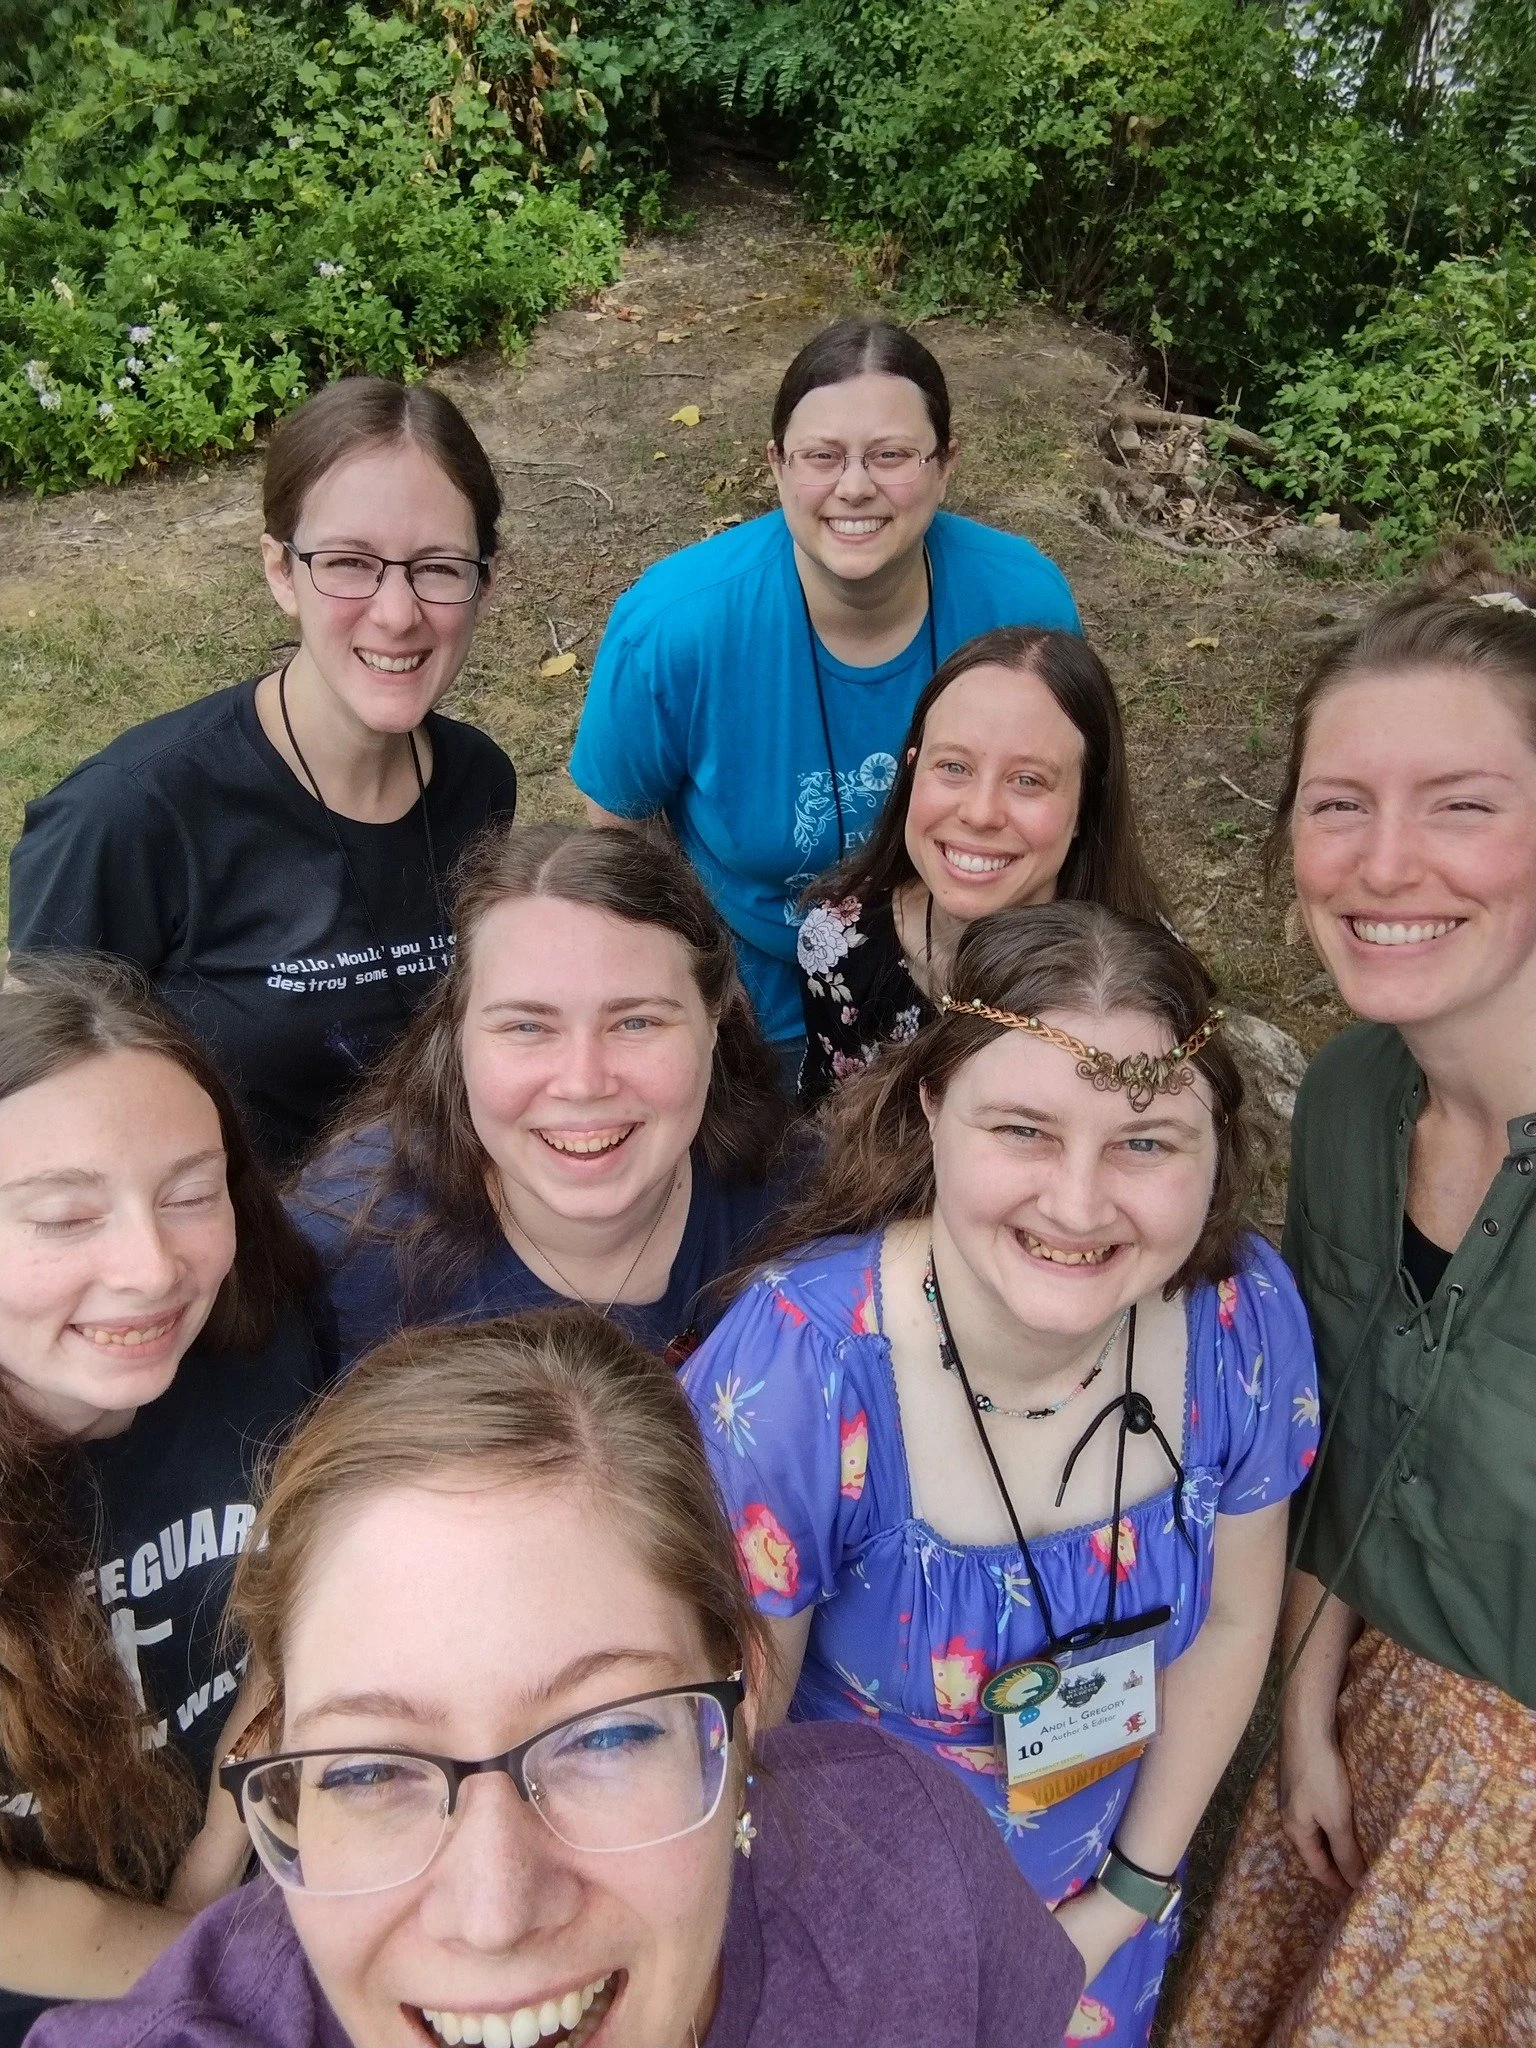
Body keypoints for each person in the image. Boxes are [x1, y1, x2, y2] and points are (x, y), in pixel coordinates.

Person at [29, 1308, 1090, 2048]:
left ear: (741, 1697)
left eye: (608, 1735)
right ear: (280, 1768)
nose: (495, 1914)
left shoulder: (912, 1868)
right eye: (368, 1770)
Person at [680, 901, 1321, 2046]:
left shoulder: (1240, 1317)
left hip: (1103, 1935)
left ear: (1217, 1144)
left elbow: (1232, 1618)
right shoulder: (803, 1372)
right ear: (933, 1108)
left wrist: (1123, 1898)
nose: (1078, 1203)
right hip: (846, 1957)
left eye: (1145, 1141)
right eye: (1024, 1128)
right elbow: (729, 1745)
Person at [1165, 545, 1536, 2048]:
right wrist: (1307, 1706)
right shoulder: (1350, 1098)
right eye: (1339, 805)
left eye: (1462, 805)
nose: (1385, 865)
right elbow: (1340, 1443)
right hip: (1365, 1733)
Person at [9, 377, 518, 1170]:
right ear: (281, 571)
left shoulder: (480, 781)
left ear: (485, 580)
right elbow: (34, 1101)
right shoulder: (127, 816)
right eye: (348, 562)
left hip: (443, 1216)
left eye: (438, 567)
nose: (396, 614)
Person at [569, 316, 1079, 1077]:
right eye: (822, 456)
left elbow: (1071, 797)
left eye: (891, 455)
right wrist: (696, 973)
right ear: (776, 466)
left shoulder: (1021, 600)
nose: (855, 486)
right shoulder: (675, 627)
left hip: (975, 980)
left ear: (946, 465)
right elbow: (618, 826)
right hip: (757, 1003)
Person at [0, 954, 324, 2048]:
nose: (151, 1268)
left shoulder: (263, 1346)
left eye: (191, 1194)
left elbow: (292, 1603)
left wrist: (215, 1861)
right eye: (62, 1216)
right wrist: (237, 1967)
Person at [292, 821, 794, 1373]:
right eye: (527, 1027)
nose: (583, 1083)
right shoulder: (334, 1268)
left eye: (636, 1022)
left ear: (714, 1020)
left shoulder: (807, 1215)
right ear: (457, 1034)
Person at [795, 626, 1167, 1107]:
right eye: (954, 767)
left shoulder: (1149, 985)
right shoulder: (837, 947)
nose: (980, 813)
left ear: (1085, 807)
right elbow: (828, 1127)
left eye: (1028, 780)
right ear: (911, 770)